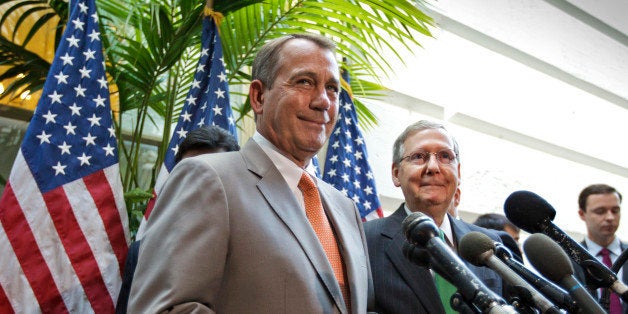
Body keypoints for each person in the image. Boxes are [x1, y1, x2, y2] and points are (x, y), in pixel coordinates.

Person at [128, 33, 372, 313]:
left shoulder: (346, 209)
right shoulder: (208, 179)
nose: (323, 102)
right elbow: (165, 309)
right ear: (258, 96)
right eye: (304, 82)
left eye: (332, 88)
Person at [364, 120, 504, 314]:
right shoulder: (364, 240)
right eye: (419, 156)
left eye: (445, 156)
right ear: (396, 174)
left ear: (459, 172)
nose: (433, 167)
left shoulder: (487, 244)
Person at [116, 125, 240, 313]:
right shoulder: (140, 252)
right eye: (188, 173)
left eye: (212, 174)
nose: (198, 183)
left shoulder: (255, 250)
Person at [573, 183, 626, 314]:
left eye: (615, 210)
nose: (610, 217)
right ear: (582, 214)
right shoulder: (568, 259)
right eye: (600, 211)